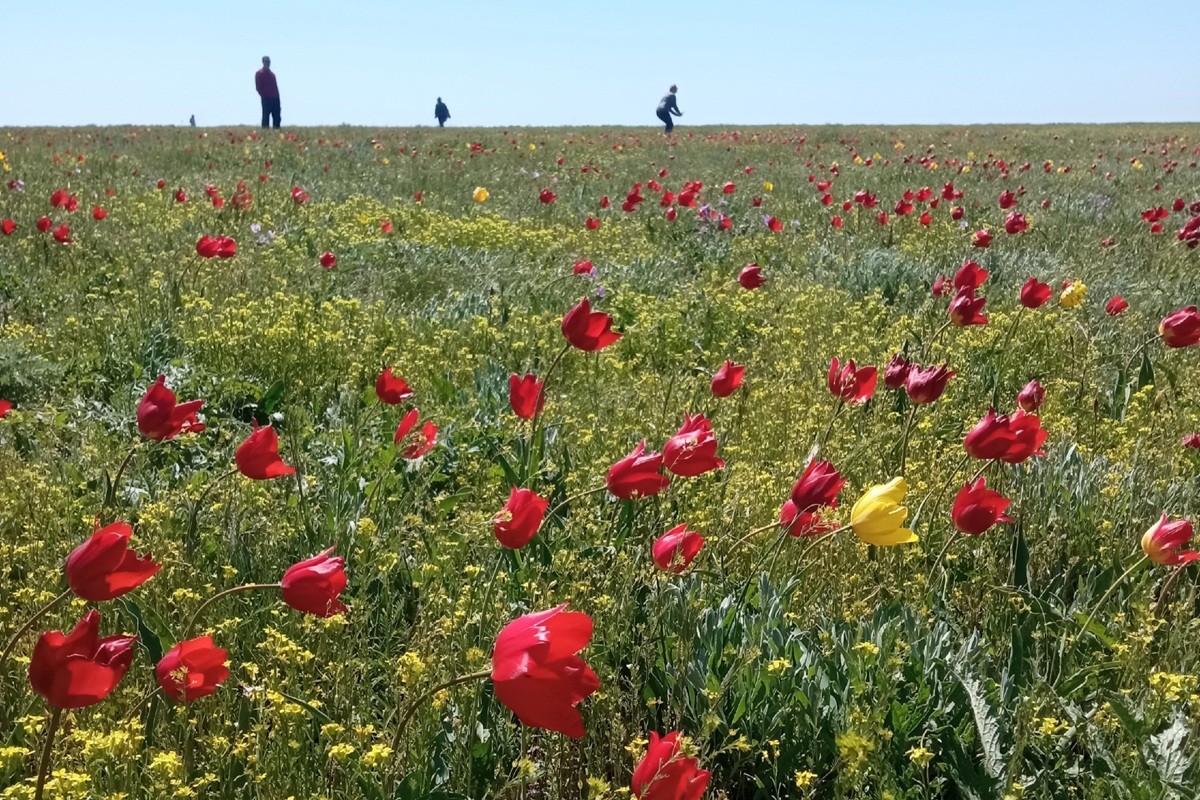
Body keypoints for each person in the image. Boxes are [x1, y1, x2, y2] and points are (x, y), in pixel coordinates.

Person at [256, 56, 281, 129]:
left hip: (275, 98)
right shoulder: (259, 73)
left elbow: (275, 86)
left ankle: (276, 130)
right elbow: (258, 87)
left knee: (277, 116)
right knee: (266, 116)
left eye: (269, 62)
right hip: (266, 98)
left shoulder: (272, 74)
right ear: (263, 62)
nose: (268, 63)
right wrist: (263, 96)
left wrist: (277, 96)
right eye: (266, 61)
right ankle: (265, 131)